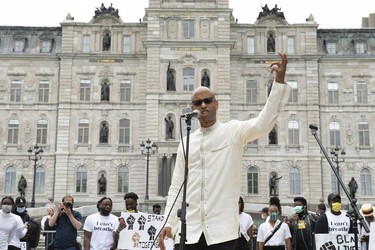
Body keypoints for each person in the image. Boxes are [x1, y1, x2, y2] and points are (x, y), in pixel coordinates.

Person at [158, 53, 291, 250]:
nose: (203, 105)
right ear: (192, 108)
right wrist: (169, 223)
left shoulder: (233, 132)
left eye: (208, 100)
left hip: (222, 234)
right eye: (197, 102)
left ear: (216, 103)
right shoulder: (186, 141)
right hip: (190, 233)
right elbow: (176, 186)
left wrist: (278, 83)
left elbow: (264, 123)